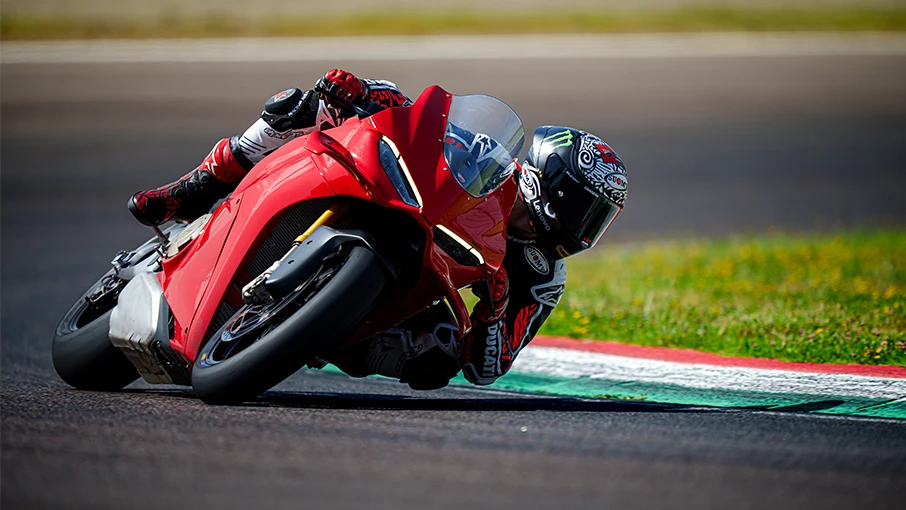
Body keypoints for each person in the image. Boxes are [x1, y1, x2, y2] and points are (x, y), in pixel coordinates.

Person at [127, 69, 629, 390]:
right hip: (398, 201)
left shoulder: (544, 276)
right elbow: (420, 120)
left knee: (440, 352)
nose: (587, 231)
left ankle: (314, 327)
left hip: (401, 302)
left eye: (598, 222)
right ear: (554, 182)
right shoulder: (487, 156)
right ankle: (190, 188)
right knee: (299, 108)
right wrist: (367, 93)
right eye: (587, 211)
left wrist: (494, 312)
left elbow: (488, 369)